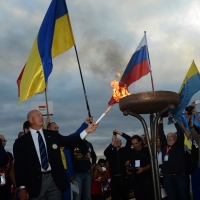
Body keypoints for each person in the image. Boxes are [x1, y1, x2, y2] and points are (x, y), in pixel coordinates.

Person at [13, 110, 98, 200]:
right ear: (30, 119)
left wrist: (86, 131)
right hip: (34, 182)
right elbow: (19, 166)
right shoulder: (21, 142)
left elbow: (70, 140)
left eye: (41, 115)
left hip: (54, 179)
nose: (41, 117)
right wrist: (21, 187)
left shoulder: (52, 135)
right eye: (38, 115)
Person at [47, 117, 92, 200]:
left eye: (58, 128)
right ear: (48, 129)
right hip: (54, 175)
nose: (57, 130)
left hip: (66, 174)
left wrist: (85, 123)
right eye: (54, 128)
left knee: (67, 196)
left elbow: (76, 134)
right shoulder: (46, 144)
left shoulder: (64, 142)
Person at [159, 114, 188, 200]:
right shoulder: (165, 146)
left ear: (175, 138)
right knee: (171, 197)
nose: (169, 138)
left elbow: (179, 132)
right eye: (168, 137)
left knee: (183, 196)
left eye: (171, 137)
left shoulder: (179, 145)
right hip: (167, 177)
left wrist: (174, 120)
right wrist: (161, 120)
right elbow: (161, 133)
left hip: (180, 176)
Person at [104, 129, 131, 200]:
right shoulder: (110, 153)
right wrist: (112, 142)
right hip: (115, 179)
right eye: (115, 141)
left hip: (124, 178)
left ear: (121, 143)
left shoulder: (125, 150)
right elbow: (105, 153)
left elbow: (129, 139)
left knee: (125, 197)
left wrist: (120, 133)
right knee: (115, 197)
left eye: (119, 141)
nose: (117, 142)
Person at [125, 135, 154, 200]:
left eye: (136, 143)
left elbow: (152, 163)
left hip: (147, 179)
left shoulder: (147, 150)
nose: (135, 145)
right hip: (136, 180)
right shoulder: (130, 152)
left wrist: (143, 169)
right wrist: (128, 169)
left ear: (140, 142)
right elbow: (127, 163)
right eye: (133, 144)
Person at [71, 132, 97, 200]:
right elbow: (70, 159)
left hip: (87, 173)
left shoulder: (89, 144)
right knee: (76, 196)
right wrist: (71, 173)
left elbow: (93, 155)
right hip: (76, 174)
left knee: (88, 196)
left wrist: (93, 164)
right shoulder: (73, 145)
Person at [0, 134, 15, 200]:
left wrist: (15, 186)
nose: (3, 142)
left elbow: (12, 172)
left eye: (4, 141)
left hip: (6, 187)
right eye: (1, 141)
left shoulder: (9, 155)